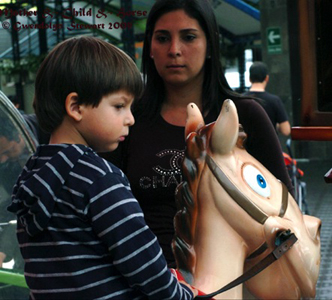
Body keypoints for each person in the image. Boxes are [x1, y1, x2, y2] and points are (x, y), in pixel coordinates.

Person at [7, 36, 197, 300]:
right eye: (119, 106)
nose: (130, 119)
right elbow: (142, 260)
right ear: (76, 107)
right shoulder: (99, 178)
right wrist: (181, 294)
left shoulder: (31, 175)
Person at [108, 0, 294, 268]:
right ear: (150, 48)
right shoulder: (128, 119)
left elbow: (285, 210)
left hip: (231, 284)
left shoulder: (247, 115)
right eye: (162, 38)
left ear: (210, 46)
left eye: (189, 37)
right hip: (144, 281)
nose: (174, 50)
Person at [244, 61, 291, 136]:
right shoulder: (274, 101)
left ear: (249, 79)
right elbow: (286, 130)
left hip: (246, 146)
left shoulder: (241, 100)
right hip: (269, 146)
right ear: (266, 78)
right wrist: (274, 124)